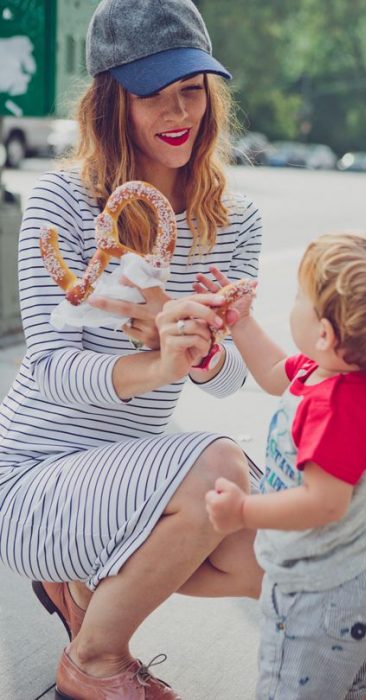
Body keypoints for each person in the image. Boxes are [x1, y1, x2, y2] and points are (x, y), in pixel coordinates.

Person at [0, 1, 264, 698]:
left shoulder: (232, 220)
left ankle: (84, 590)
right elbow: (51, 368)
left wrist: (204, 355)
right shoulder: (63, 204)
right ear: (111, 101)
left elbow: (228, 379)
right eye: (153, 95)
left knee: (270, 552)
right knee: (220, 467)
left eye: (191, 90)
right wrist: (155, 359)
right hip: (35, 472)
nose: (179, 113)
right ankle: (94, 661)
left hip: (132, 473)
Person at [205, 232, 366, 700]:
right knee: (362, 690)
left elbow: (325, 502)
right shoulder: (333, 372)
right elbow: (277, 374)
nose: (291, 302)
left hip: (323, 595)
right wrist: (242, 322)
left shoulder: (334, 407)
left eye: (300, 298)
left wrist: (242, 514)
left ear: (325, 334)